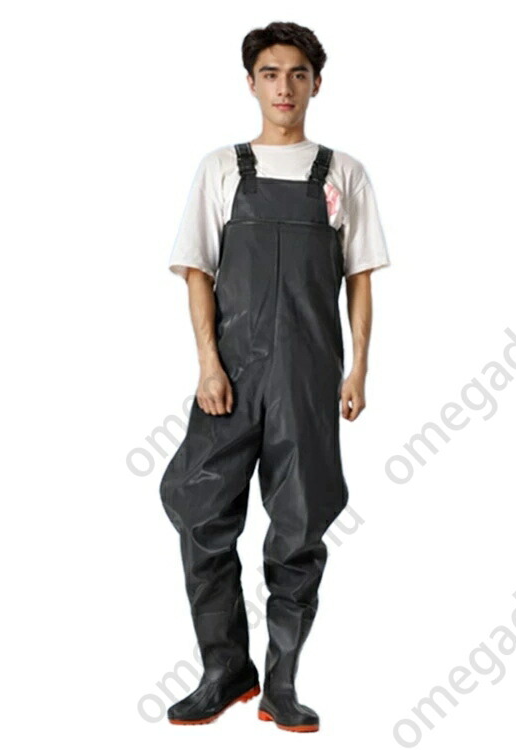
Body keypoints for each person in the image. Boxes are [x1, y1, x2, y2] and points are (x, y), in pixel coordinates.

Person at [159, 21, 390, 733]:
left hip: (309, 378)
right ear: (251, 83)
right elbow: (197, 273)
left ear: (316, 83)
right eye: (270, 73)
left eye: (297, 74)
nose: (283, 87)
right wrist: (208, 364)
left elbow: (359, 278)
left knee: (299, 526)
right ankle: (225, 669)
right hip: (231, 376)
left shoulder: (343, 173)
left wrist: (358, 369)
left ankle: (281, 683)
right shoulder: (221, 168)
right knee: (199, 509)